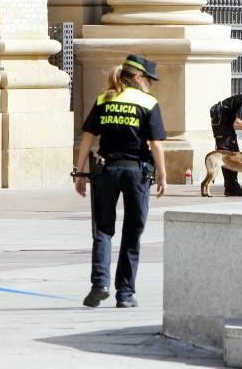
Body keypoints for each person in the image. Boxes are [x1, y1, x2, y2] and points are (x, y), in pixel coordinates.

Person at [74, 54, 167, 309]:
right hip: (137, 173)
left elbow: (87, 138)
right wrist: (162, 173)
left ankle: (99, 284)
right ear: (138, 78)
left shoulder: (104, 99)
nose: (151, 84)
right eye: (149, 79)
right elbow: (155, 144)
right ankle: (125, 294)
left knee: (103, 230)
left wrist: (80, 172)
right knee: (132, 233)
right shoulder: (148, 103)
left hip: (106, 171)